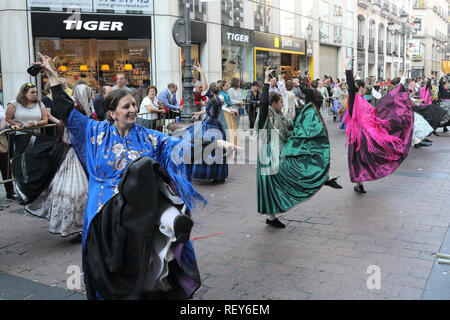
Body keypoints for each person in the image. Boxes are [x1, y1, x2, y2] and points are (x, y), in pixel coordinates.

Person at [36, 52, 206, 300]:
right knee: (108, 270)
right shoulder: (93, 132)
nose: (133, 110)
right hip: (104, 213)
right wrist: (53, 77)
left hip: (139, 213)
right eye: (126, 107)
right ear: (112, 113)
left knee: (141, 267)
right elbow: (65, 110)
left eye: (134, 106)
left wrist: (210, 143)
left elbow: (175, 146)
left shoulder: (148, 136)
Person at [256, 67, 331, 228]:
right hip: (268, 155)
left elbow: (290, 129)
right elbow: (263, 104)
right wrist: (266, 81)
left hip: (278, 154)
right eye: (281, 102)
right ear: (274, 103)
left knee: (277, 184)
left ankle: (271, 216)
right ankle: (271, 217)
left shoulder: (280, 116)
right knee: (272, 185)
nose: (283, 104)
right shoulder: (266, 117)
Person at [343, 56, 414, 194]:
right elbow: (351, 85)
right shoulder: (353, 99)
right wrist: (347, 67)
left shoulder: (361, 100)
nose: (366, 90)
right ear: (361, 88)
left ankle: (359, 183)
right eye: (365, 88)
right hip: (361, 136)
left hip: (364, 135)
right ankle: (359, 182)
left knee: (360, 159)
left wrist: (403, 77)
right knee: (361, 159)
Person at [6, 83, 48, 157]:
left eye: (36, 92)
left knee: (34, 159)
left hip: (36, 136)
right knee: (20, 158)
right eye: (32, 92)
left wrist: (34, 123)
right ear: (24, 93)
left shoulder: (40, 104)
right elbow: (7, 119)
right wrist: (20, 125)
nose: (35, 94)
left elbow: (45, 120)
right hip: (19, 136)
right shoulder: (14, 103)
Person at [0, 103, 17, 200]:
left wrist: (10, 126)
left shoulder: (0, 105)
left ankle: (10, 192)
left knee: (6, 166)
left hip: (2, 138)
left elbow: (3, 121)